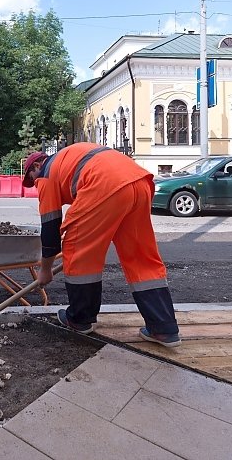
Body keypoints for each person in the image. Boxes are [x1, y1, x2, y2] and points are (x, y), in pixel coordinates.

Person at [24, 143, 181, 347]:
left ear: (37, 165)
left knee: (78, 248)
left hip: (104, 184)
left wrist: (45, 270)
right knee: (141, 257)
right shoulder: (69, 157)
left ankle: (80, 319)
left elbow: (50, 229)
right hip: (138, 181)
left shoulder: (46, 174)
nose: (35, 185)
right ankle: (164, 328)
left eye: (31, 179)